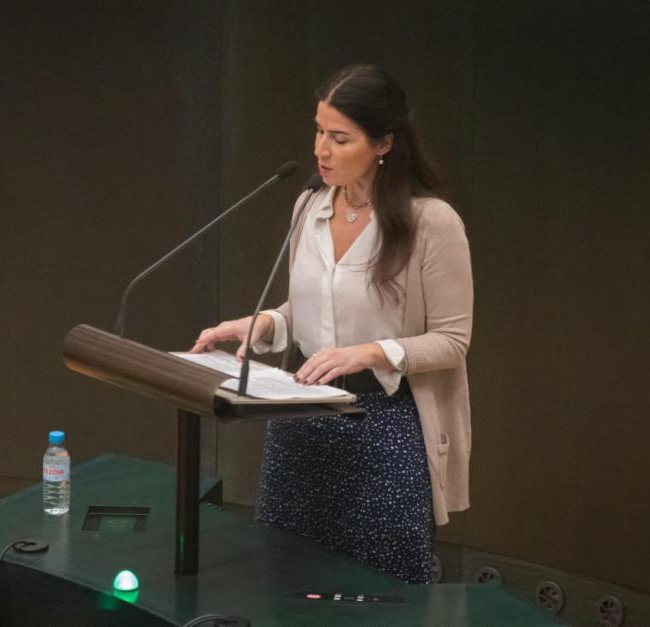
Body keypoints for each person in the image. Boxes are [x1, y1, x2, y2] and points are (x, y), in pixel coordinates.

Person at [190, 65, 472, 584]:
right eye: (319, 131)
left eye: (340, 138)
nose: (321, 149)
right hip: (299, 423)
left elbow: (452, 341)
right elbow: (312, 308)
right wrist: (263, 324)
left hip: (381, 427)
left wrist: (368, 352)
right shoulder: (309, 205)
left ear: (384, 143)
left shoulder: (431, 222)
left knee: (377, 596)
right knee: (287, 583)